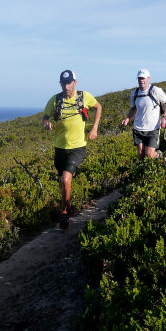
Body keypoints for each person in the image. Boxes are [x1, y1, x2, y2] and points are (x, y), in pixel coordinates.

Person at [42, 69, 102, 229]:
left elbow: (98, 107)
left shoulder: (84, 97)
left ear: (75, 83)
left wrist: (94, 128)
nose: (66, 86)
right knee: (63, 183)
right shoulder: (55, 99)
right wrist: (45, 123)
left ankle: (64, 213)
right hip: (60, 148)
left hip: (78, 147)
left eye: (69, 83)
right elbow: (44, 117)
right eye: (63, 83)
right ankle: (70, 207)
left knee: (66, 179)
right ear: (60, 84)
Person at [121, 68, 166, 159]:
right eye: (139, 78)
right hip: (138, 128)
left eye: (143, 78)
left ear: (148, 78)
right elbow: (133, 108)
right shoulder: (134, 93)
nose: (141, 80)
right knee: (141, 155)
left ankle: (159, 155)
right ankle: (142, 172)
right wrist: (127, 118)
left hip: (153, 128)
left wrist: (164, 117)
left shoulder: (155, 90)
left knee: (150, 154)